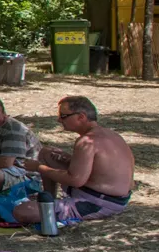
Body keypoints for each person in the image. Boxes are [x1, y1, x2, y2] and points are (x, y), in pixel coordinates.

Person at [9, 95, 136, 226]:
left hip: (98, 202)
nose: (59, 120)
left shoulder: (87, 141)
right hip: (111, 197)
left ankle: (51, 206)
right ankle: (49, 198)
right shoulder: (111, 135)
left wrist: (39, 168)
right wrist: (67, 159)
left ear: (81, 116)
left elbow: (75, 179)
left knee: (22, 211)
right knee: (47, 153)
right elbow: (99, 168)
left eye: (63, 116)